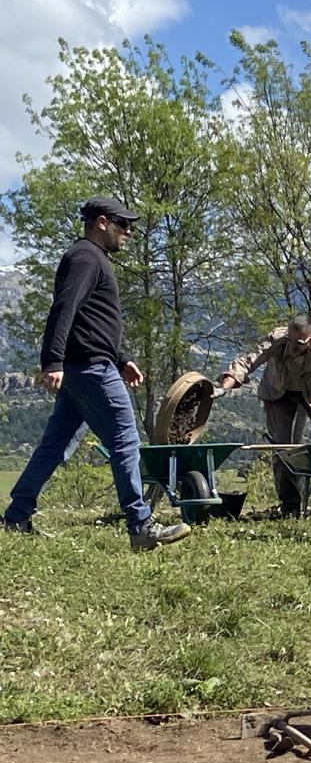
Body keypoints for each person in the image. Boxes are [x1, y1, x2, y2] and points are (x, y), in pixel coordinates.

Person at [3, 198, 190, 550]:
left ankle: (16, 515)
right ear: (102, 222)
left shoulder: (89, 258)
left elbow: (92, 320)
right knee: (125, 442)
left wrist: (121, 358)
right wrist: (52, 360)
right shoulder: (86, 257)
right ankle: (141, 526)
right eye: (124, 225)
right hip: (89, 368)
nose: (129, 232)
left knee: (55, 446)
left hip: (88, 365)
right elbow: (65, 307)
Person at [220, 313, 311, 516]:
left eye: (301, 343)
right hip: (279, 393)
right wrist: (226, 385)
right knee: (281, 446)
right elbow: (250, 360)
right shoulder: (276, 340)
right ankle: (290, 504)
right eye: (291, 340)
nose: (295, 346)